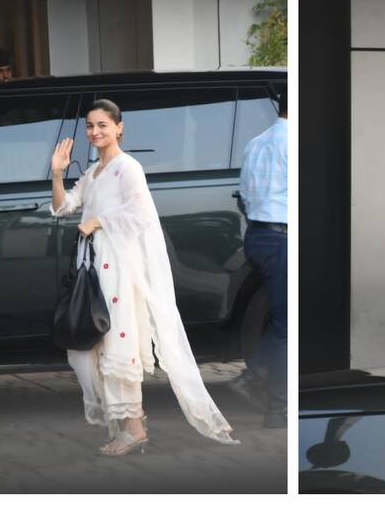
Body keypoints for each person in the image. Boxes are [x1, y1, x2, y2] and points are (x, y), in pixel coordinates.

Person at [50, 99, 239, 455]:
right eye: (90, 126)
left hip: (120, 270)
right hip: (94, 270)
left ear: (119, 127)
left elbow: (141, 213)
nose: (95, 132)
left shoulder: (127, 167)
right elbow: (63, 208)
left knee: (118, 344)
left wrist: (99, 221)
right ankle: (127, 425)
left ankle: (133, 429)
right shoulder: (93, 174)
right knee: (89, 347)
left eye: (103, 124)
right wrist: (58, 174)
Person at [231, 90, 288, 428]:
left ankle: (257, 377)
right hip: (282, 237)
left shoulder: (256, 142)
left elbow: (245, 195)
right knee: (287, 328)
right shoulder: (294, 144)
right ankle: (275, 407)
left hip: (257, 235)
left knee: (285, 323)